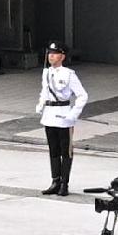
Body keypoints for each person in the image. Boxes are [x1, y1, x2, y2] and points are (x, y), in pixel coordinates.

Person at [35, 40, 85, 197]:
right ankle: (55, 181)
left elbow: (82, 95)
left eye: (55, 53)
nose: (51, 56)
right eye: (50, 53)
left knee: (66, 152)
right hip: (49, 115)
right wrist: (41, 103)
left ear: (62, 56)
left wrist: (73, 114)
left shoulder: (69, 74)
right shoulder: (47, 73)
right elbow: (44, 92)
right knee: (53, 150)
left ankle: (65, 183)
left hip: (64, 115)